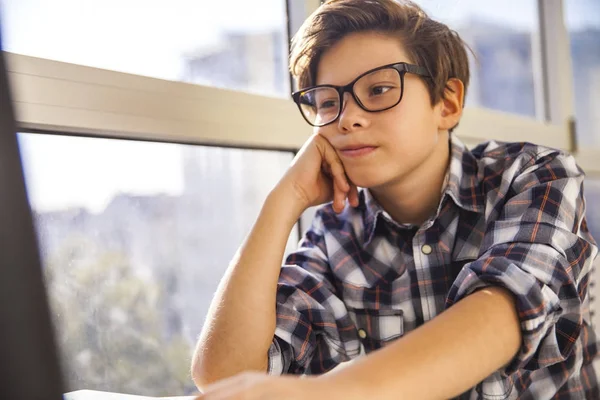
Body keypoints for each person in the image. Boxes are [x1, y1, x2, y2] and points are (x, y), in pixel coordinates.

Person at [190, 0, 599, 398]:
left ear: (448, 103)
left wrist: (330, 394)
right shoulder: (337, 232)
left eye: (380, 89)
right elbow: (226, 374)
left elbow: (507, 312)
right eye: (328, 102)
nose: (348, 117)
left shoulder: (533, 174)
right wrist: (283, 201)